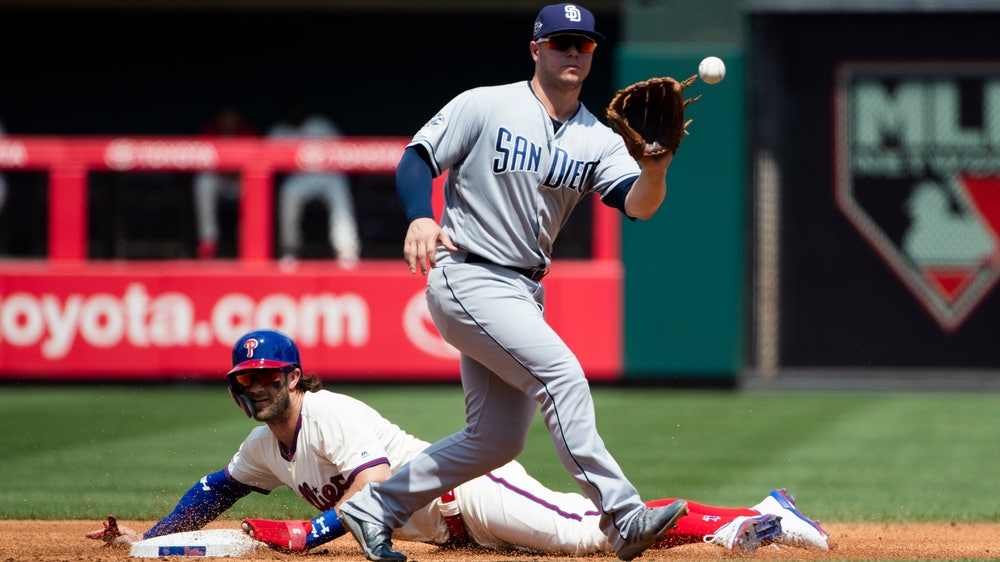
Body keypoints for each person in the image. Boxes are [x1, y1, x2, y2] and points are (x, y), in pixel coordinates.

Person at [339, 4, 707, 561]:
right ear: (536, 48)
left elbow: (639, 207)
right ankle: (624, 515)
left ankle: (374, 508)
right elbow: (416, 158)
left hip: (524, 292)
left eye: (582, 45)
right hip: (469, 273)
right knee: (562, 376)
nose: (572, 53)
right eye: (560, 42)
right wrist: (419, 215)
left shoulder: (599, 139)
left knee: (495, 440)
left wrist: (655, 170)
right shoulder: (485, 103)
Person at [85, 329, 832, 556]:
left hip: (464, 489)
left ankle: (752, 514)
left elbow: (372, 491)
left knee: (585, 535)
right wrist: (152, 541)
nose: (257, 388)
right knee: (587, 542)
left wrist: (310, 535)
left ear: (296, 377)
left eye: (269, 375)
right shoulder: (262, 451)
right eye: (246, 379)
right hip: (453, 532)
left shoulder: (328, 413)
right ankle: (740, 522)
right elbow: (214, 491)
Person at [269, 101, 361, 268]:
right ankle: (290, 249)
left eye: (297, 108)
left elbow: (343, 151)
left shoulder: (320, 125)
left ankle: (346, 249)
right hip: (298, 178)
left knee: (339, 187)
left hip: (326, 174)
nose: (294, 111)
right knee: (288, 194)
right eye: (291, 109)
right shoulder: (279, 132)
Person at [193, 104, 259, 259]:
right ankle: (208, 241)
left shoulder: (248, 132)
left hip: (240, 181)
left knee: (254, 186)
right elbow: (202, 161)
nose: (229, 122)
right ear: (218, 120)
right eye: (225, 118)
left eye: (232, 118)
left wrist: (235, 171)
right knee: (204, 182)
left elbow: (256, 162)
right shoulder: (209, 132)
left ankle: (247, 240)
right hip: (218, 180)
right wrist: (226, 169)